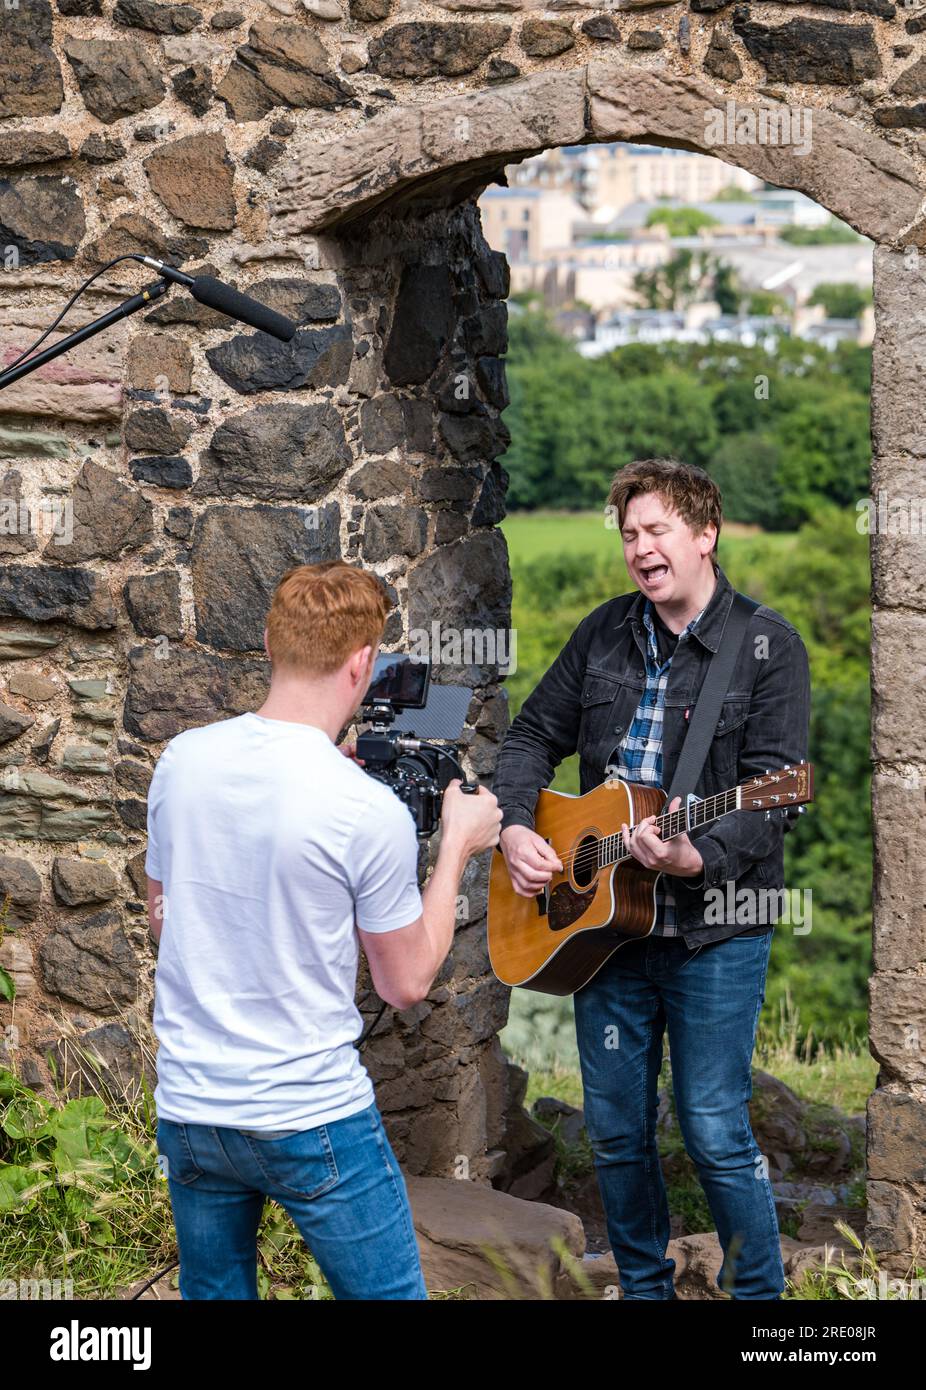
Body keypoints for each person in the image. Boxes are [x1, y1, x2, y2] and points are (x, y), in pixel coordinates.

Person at [492, 458, 811, 1301]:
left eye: (657, 530)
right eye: (629, 533)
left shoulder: (768, 646)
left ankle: (761, 1301)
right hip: (604, 934)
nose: (640, 548)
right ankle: (643, 1290)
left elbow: (773, 798)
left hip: (714, 931)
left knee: (713, 1131)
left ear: (705, 535)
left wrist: (694, 856)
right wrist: (519, 825)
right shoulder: (604, 633)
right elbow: (529, 738)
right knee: (615, 1132)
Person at [146, 560, 502, 1300]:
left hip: (192, 1108)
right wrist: (456, 850)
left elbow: (164, 918)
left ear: (269, 643)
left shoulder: (182, 761)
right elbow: (405, 983)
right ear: (363, 663)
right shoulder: (363, 810)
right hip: (307, 1112)